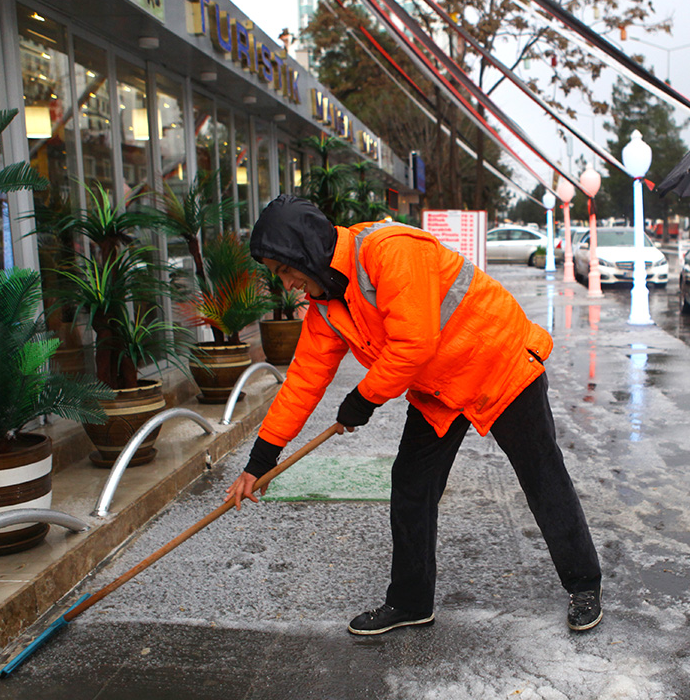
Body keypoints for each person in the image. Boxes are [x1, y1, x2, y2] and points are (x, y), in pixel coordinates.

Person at [225, 195, 603, 634]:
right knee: (411, 484)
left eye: (286, 270)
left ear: (307, 253)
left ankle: (584, 584)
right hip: (439, 387)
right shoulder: (327, 307)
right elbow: (303, 380)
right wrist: (260, 461)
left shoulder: (389, 251)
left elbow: (413, 343)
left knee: (541, 474)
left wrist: (363, 398)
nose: (287, 283)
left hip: (497, 361)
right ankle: (410, 601)